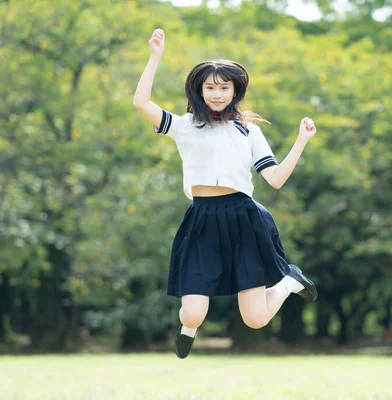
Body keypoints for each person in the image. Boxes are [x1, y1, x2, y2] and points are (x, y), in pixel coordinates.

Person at [133, 28, 318, 359]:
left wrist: (300, 142)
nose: (216, 94)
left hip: (243, 219)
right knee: (191, 313)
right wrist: (155, 57)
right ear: (199, 91)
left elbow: (274, 179)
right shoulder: (185, 125)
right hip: (202, 220)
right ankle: (189, 327)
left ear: (235, 91)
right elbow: (140, 102)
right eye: (210, 87)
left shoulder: (249, 131)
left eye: (223, 87)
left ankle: (289, 282)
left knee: (256, 319)